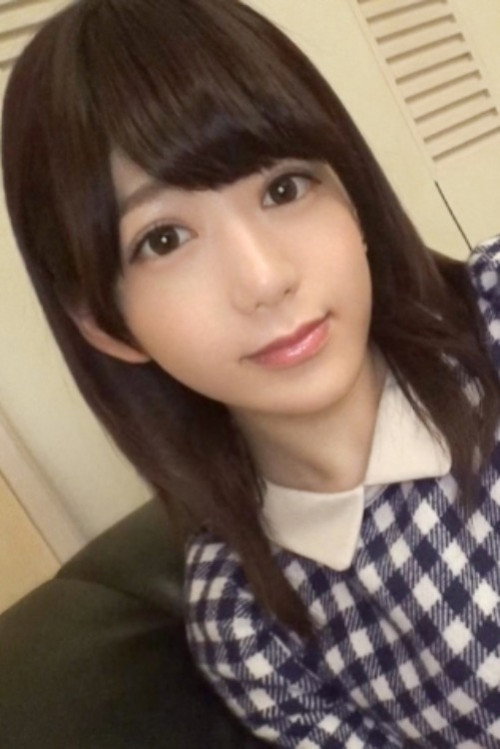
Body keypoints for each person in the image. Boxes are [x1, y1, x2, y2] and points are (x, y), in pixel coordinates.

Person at [2, 0, 499, 746]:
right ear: (106, 323)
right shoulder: (248, 624)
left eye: (284, 188)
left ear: (354, 198)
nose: (264, 279)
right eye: (164, 239)